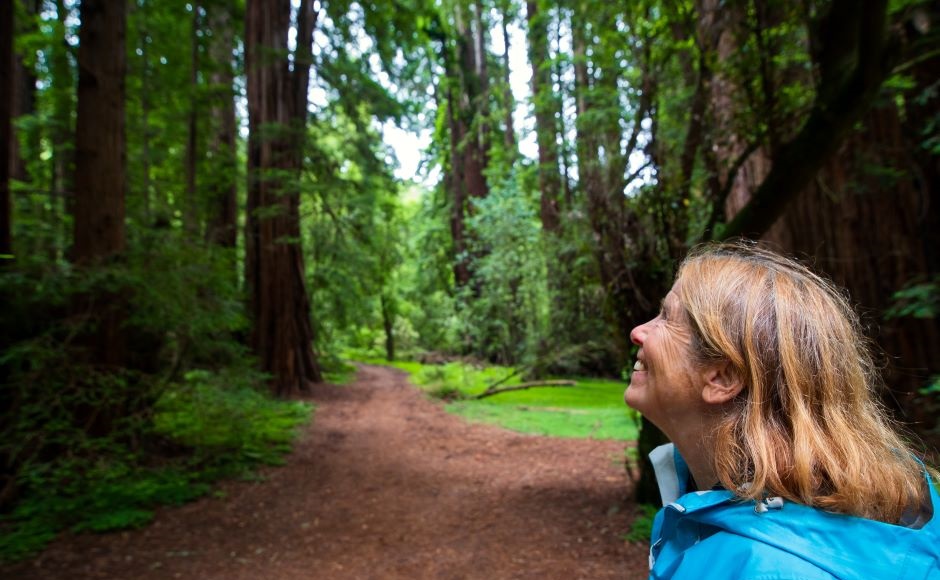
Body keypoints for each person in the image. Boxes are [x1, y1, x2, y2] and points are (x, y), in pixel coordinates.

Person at [624, 242, 940, 579]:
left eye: (667, 317)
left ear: (722, 377)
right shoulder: (889, 497)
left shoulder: (768, 568)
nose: (638, 332)